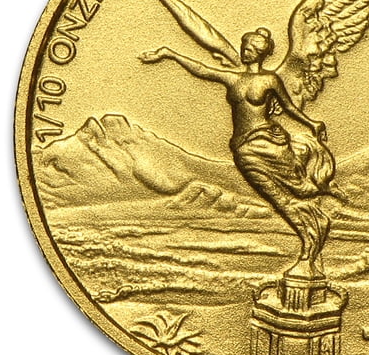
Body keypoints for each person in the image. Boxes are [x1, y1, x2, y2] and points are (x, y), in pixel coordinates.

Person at [140, 27, 335, 279]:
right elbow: (202, 69)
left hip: (268, 143)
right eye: (245, 47)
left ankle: (310, 244)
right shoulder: (233, 78)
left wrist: (311, 123)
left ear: (261, 53)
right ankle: (314, 225)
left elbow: (288, 108)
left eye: (251, 49)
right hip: (243, 148)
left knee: (284, 196)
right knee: (277, 197)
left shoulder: (270, 80)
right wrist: (170, 54)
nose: (246, 52)